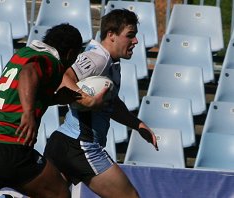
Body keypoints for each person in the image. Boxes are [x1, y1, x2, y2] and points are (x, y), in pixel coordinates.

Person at [0, 23, 83, 198]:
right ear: (71, 53)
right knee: (60, 194)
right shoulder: (52, 61)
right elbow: (29, 73)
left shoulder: (22, 54)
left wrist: (56, 99)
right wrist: (28, 114)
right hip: (10, 148)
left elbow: (21, 90)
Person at [43, 9, 159, 198]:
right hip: (81, 145)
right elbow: (64, 76)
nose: (136, 41)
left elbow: (111, 104)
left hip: (62, 143)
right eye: (130, 35)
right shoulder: (99, 58)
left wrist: (137, 124)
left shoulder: (109, 62)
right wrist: (86, 99)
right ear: (111, 35)